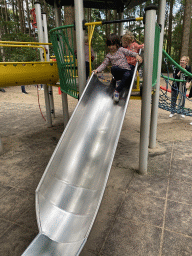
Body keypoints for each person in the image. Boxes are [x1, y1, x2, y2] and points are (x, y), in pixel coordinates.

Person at [93, 34, 142, 103]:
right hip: (117, 71)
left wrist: (136, 55)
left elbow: (130, 53)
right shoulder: (109, 56)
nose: (111, 47)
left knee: (128, 74)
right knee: (113, 68)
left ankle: (117, 91)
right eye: (109, 45)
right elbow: (104, 64)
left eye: (113, 45)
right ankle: (118, 80)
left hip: (125, 70)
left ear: (117, 44)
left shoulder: (121, 50)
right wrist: (97, 70)